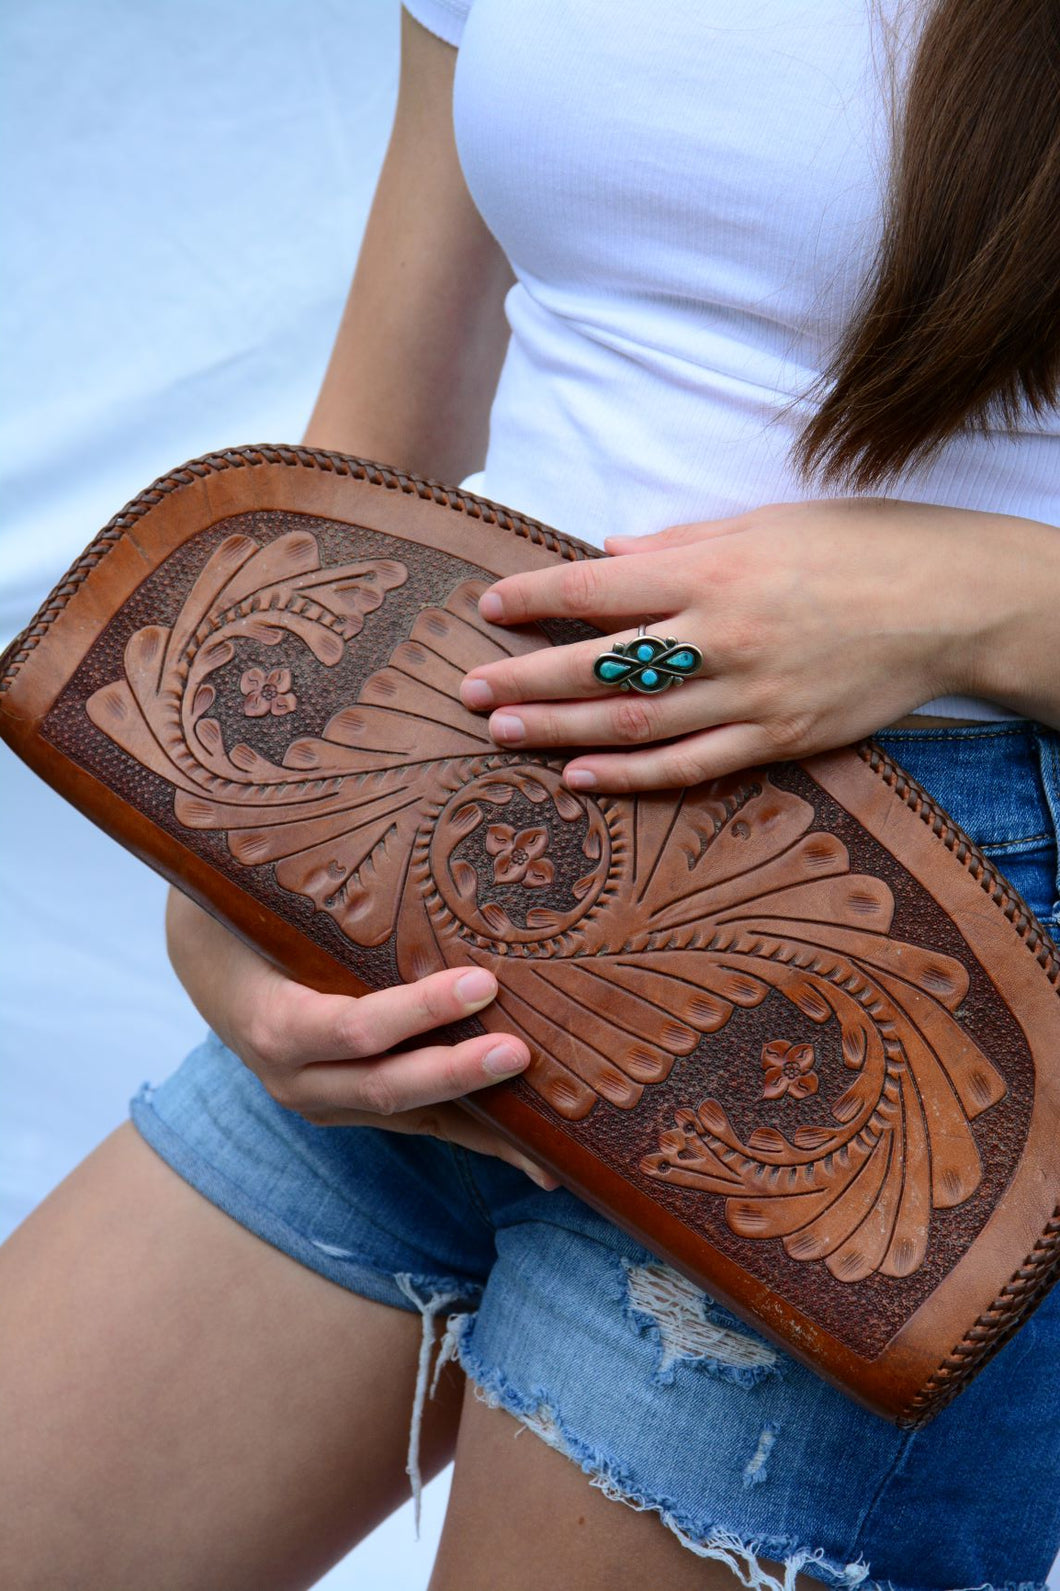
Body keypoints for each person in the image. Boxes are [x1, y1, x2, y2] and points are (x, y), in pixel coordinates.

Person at [2, 2, 1059, 1587]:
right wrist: (228, 861)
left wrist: (970, 600)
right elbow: (384, 426)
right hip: (433, 828)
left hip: (896, 1000)